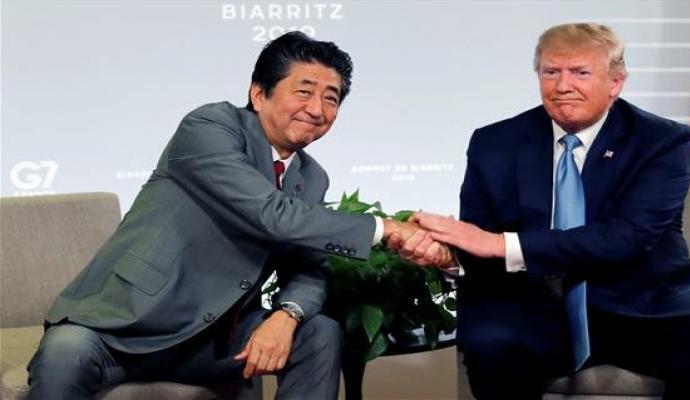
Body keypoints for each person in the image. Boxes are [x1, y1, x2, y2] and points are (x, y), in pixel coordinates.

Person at [26, 31, 450, 400]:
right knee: (65, 353)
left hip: (211, 341)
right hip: (120, 326)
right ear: (259, 93)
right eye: (303, 91)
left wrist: (288, 315)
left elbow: (308, 266)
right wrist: (385, 228)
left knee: (318, 333)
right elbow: (270, 214)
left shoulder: (311, 176)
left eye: (331, 97)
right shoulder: (211, 126)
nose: (317, 109)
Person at [401, 23, 690, 399]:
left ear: (615, 82)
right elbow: (479, 242)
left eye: (580, 73)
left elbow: (627, 238)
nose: (562, 85)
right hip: (531, 303)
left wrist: (503, 245)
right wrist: (447, 257)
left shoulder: (661, 141)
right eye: (551, 72)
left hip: (642, 300)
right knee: (490, 343)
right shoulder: (494, 143)